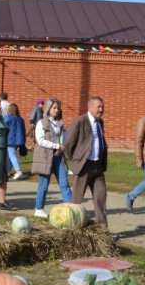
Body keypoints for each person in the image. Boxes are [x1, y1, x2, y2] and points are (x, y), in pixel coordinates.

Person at [64, 96, 108, 228]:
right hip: (84, 167)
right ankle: (73, 226)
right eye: (98, 107)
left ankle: (102, 228)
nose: (101, 109)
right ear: (90, 107)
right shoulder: (80, 121)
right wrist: (76, 159)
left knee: (100, 198)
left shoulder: (101, 122)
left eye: (102, 107)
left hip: (98, 167)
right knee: (77, 200)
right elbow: (68, 144)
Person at [32, 98, 72, 218]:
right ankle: (39, 209)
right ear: (48, 109)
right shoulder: (41, 123)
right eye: (54, 108)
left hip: (58, 157)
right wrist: (56, 146)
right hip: (46, 157)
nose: (57, 110)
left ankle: (71, 208)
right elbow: (40, 140)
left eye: (58, 108)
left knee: (64, 183)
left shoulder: (60, 123)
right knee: (44, 185)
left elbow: (65, 137)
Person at [3, 103, 26, 180]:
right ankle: (7, 172)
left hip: (10, 140)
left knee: (12, 155)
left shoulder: (7, 118)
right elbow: (23, 130)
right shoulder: (20, 119)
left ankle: (18, 171)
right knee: (10, 156)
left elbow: (3, 127)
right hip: (18, 140)